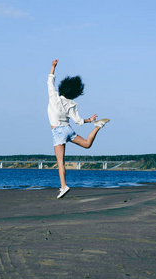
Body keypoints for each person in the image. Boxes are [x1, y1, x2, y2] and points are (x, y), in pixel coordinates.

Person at [48, 59, 110, 198]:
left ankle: (63, 186)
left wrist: (53, 67)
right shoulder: (72, 104)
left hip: (58, 132)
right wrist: (90, 120)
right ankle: (98, 126)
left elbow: (50, 82)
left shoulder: (54, 98)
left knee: (60, 162)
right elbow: (79, 121)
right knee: (87, 145)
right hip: (68, 129)